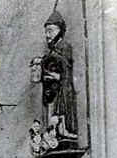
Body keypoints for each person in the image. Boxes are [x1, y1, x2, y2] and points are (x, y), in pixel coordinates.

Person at [41, 10, 77, 142]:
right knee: (55, 110)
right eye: (46, 32)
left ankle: (65, 130)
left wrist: (54, 75)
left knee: (63, 107)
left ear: (59, 30)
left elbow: (66, 69)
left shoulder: (64, 47)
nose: (47, 35)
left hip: (64, 87)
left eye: (50, 31)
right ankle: (57, 132)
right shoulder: (53, 50)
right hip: (54, 90)